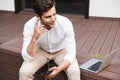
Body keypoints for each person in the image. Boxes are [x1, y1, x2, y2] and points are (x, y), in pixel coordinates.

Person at [19, 0, 81, 80]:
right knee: (24, 72)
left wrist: (59, 68)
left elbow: (71, 53)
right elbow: (27, 57)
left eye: (54, 14)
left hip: (61, 51)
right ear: (38, 17)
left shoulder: (65, 23)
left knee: (74, 71)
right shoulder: (29, 26)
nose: (53, 19)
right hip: (41, 50)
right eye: (48, 17)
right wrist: (34, 38)